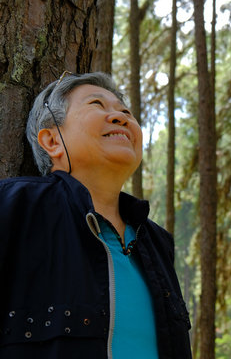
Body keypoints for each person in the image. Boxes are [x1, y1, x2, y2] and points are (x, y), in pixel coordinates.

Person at [0, 72, 192, 358]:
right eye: (97, 105)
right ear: (52, 141)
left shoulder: (157, 242)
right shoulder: (13, 205)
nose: (120, 117)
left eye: (125, 111)